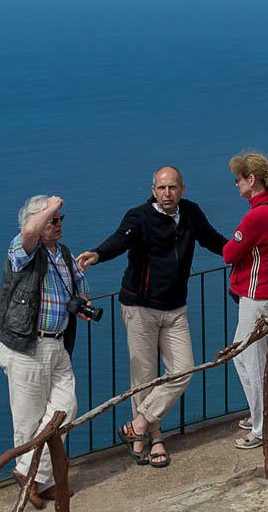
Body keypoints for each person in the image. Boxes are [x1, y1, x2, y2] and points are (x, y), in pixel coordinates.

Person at [75, 166, 229, 468]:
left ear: (182, 189)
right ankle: (152, 438)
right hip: (140, 307)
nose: (167, 193)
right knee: (144, 378)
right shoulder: (139, 217)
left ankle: (139, 425)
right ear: (153, 190)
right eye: (161, 188)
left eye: (172, 187)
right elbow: (121, 239)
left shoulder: (191, 213)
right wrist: (97, 253)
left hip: (175, 309)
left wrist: (242, 252)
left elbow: (213, 240)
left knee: (183, 370)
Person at [0, 194, 90, 507]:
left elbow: (77, 289)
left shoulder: (64, 253)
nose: (57, 223)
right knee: (28, 421)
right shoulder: (23, 250)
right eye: (51, 220)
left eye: (59, 219)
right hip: (26, 345)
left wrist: (81, 306)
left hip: (57, 343)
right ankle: (36, 481)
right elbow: (30, 232)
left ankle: (28, 472)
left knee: (64, 410)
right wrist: (50, 206)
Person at [222, 151, 268, 450]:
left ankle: (266, 430)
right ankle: (258, 414)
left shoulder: (256, 215)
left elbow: (229, 253)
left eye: (237, 179)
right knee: (242, 356)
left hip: (258, 297)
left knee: (254, 362)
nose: (235, 185)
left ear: (251, 180)